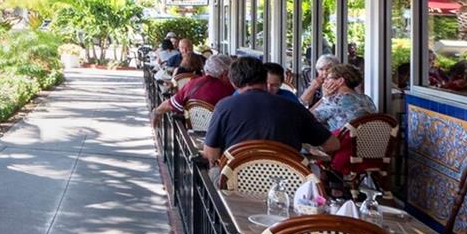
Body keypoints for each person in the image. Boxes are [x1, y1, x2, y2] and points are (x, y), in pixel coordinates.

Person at [202, 56, 338, 166]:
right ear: (264, 78)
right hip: (288, 181)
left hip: (237, 182)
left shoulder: (224, 106)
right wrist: (303, 146)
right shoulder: (293, 107)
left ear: (233, 83)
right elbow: (333, 144)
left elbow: (210, 154)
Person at [153, 53, 234, 122]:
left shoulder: (192, 83)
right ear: (225, 74)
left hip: (193, 133)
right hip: (222, 132)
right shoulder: (231, 89)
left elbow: (170, 104)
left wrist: (156, 112)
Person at [311, 63, 377, 131]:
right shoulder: (367, 99)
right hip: (369, 137)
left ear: (340, 81)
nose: (324, 82)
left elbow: (307, 119)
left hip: (340, 138)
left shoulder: (334, 101)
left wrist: (324, 97)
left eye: (328, 78)